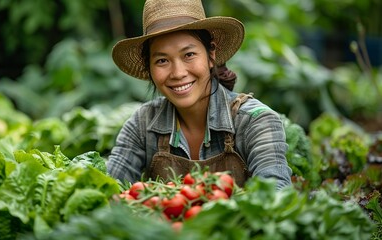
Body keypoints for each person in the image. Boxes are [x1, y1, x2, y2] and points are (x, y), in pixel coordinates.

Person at [108, 0, 292, 189]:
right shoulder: (142, 124)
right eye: (162, 60)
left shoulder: (254, 121)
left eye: (189, 55)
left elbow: (275, 195)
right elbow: (111, 191)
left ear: (211, 54)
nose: (178, 73)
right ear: (150, 68)